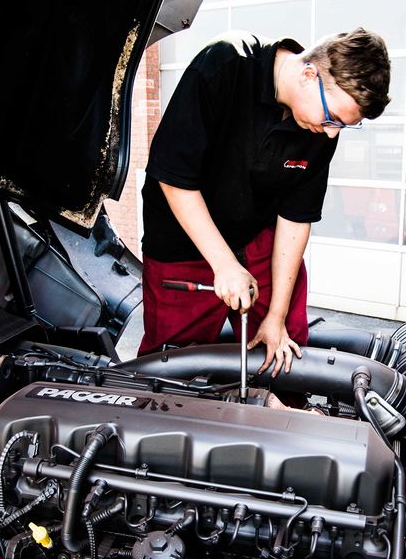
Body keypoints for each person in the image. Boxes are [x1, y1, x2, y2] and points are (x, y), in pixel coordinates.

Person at [138, 28, 391, 377]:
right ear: (308, 74)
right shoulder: (222, 68)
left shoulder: (317, 127)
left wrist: (275, 316)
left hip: (256, 234)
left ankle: (285, 417)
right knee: (173, 363)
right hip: (182, 238)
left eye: (345, 127)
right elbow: (174, 178)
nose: (333, 133)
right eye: (333, 119)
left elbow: (296, 217)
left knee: (286, 346)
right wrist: (225, 265)